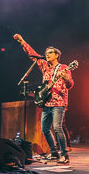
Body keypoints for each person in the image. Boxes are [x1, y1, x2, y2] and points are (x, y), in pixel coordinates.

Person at [13, 34, 74, 164]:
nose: (47, 54)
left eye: (50, 53)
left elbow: (70, 85)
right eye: (46, 53)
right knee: (45, 129)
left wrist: (66, 79)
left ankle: (64, 155)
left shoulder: (64, 68)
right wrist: (22, 41)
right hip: (46, 102)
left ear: (57, 55)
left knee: (57, 128)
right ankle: (54, 153)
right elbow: (33, 55)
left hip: (59, 102)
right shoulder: (44, 66)